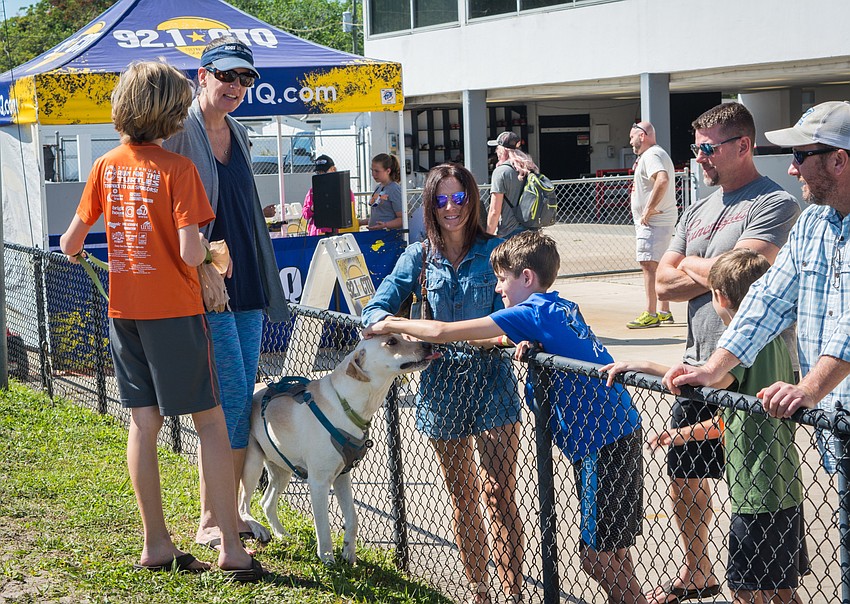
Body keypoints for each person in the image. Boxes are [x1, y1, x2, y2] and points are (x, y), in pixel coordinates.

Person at [59, 61, 265, 581]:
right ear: (173, 111)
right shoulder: (179, 170)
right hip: (176, 313)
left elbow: (70, 243)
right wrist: (215, 256)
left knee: (143, 424)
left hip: (124, 313)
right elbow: (191, 251)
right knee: (211, 422)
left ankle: (156, 543)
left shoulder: (105, 165)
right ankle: (230, 548)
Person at [364, 230, 646, 604]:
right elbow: (516, 339)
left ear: (526, 277)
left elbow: (442, 331)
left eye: (501, 279)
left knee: (597, 558)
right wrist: (519, 341)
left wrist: (389, 324)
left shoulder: (530, 311)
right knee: (612, 551)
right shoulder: (557, 306)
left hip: (603, 441)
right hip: (615, 431)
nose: (498, 288)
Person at [653, 101, 800, 603]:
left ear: (743, 146)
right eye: (696, 149)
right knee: (686, 473)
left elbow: (747, 276)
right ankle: (698, 570)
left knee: (753, 482)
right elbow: (663, 283)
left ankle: (761, 577)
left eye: (708, 149)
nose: (699, 158)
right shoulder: (697, 209)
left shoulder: (774, 204)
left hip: (751, 366)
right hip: (697, 361)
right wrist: (713, 267)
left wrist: (693, 265)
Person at [605, 248, 808, 604]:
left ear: (719, 297)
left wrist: (646, 365)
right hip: (785, 485)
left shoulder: (741, 347)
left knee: (744, 588)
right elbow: (734, 419)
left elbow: (700, 381)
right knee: (780, 588)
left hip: (756, 492)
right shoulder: (776, 342)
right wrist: (679, 435)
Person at [361, 164, 523, 604]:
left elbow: (521, 312)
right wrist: (393, 324)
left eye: (460, 198)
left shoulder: (496, 252)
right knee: (463, 494)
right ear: (430, 205)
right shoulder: (418, 257)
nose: (452, 208)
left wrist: (509, 336)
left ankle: (512, 594)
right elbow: (374, 309)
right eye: (441, 199)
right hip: (439, 386)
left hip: (492, 381)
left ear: (472, 200)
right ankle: (480, 591)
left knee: (498, 492)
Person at [665, 100, 850, 476]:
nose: (792, 168)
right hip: (835, 418)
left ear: (838, 160)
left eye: (800, 155)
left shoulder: (779, 205)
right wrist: (712, 368)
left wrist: (809, 388)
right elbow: (768, 298)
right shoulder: (813, 223)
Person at [162, 35, 289, 550]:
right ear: (203, 75)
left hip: (248, 283)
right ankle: (212, 518)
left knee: (235, 404)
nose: (236, 86)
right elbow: (168, 214)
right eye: (227, 75)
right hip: (206, 286)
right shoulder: (178, 133)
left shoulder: (239, 131)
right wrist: (202, 267)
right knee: (228, 400)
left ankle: (226, 513)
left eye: (245, 78)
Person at [626, 121, 677, 329]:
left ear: (642, 136)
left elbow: (662, 180)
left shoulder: (651, 155)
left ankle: (651, 313)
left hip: (653, 222)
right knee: (658, 264)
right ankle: (664, 311)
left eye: (632, 137)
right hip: (658, 222)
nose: (630, 142)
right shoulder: (655, 153)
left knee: (648, 264)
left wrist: (648, 209)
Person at [485, 131, 539, 238]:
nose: (496, 152)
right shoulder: (530, 168)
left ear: (502, 150)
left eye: (497, 148)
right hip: (532, 231)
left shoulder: (501, 172)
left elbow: (494, 211)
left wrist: (487, 237)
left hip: (509, 233)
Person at [301, 154, 359, 235]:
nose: (321, 175)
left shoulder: (345, 191)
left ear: (333, 169)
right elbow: (305, 214)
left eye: (324, 172)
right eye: (318, 172)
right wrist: (312, 208)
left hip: (338, 232)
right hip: (317, 232)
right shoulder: (312, 192)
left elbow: (350, 214)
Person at [367, 153, 403, 230]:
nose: (373, 174)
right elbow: (379, 214)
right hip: (377, 233)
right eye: (372, 170)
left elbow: (402, 219)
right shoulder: (378, 187)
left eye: (377, 171)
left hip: (388, 234)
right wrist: (360, 222)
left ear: (388, 171)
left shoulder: (394, 189)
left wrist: (385, 225)